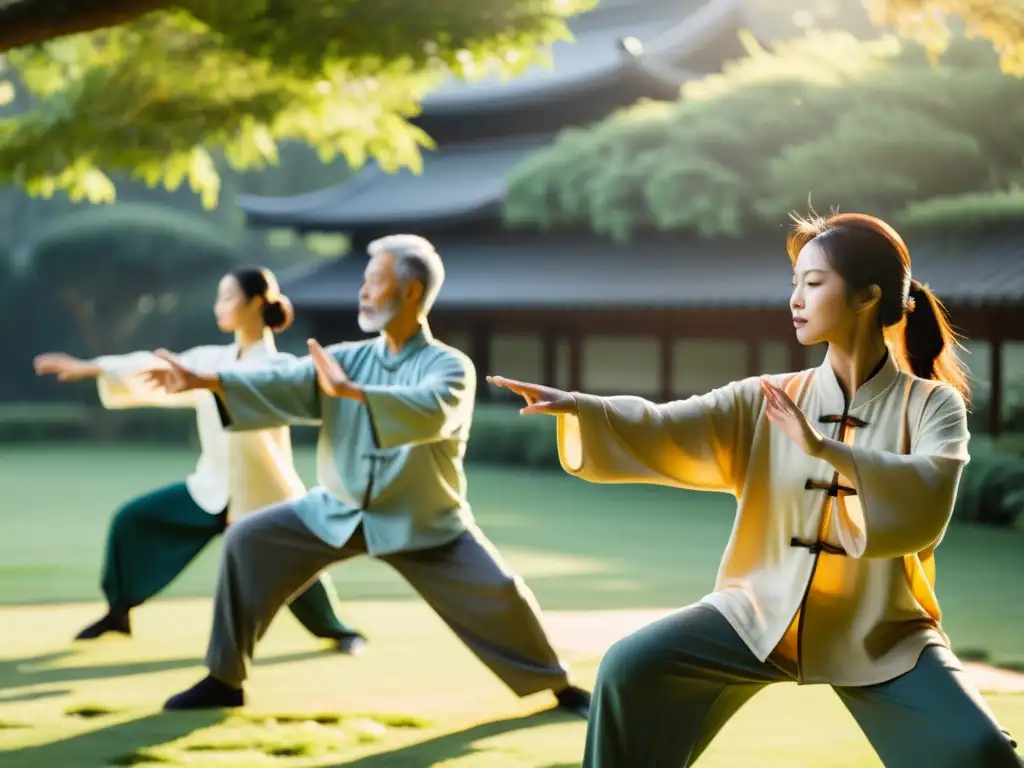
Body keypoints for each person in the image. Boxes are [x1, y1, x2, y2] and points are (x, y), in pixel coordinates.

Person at [490, 212, 1023, 768]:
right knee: (630, 667)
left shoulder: (931, 403)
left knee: (977, 751)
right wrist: (582, 406)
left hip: (883, 631)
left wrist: (826, 449)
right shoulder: (766, 397)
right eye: (794, 284)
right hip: (756, 612)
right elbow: (667, 425)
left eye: (813, 284)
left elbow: (929, 493)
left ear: (867, 296)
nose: (795, 298)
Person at [144, 234, 591, 716]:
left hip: (423, 522)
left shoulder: (449, 366)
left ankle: (559, 686)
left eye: (374, 280)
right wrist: (208, 380)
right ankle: (224, 679)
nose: (362, 291)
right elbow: (284, 380)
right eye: (364, 280)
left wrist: (354, 393)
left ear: (412, 291)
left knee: (499, 594)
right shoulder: (347, 357)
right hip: (334, 509)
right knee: (248, 540)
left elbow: (432, 410)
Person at [33, 266, 365, 653]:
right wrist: (92, 367)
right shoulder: (212, 357)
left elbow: (261, 397)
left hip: (262, 495)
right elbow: (157, 366)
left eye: (227, 298)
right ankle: (119, 610)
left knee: (291, 567)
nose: (218, 307)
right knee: (133, 520)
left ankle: (339, 631)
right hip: (211, 488)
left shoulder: (278, 368)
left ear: (256, 303)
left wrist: (216, 384)